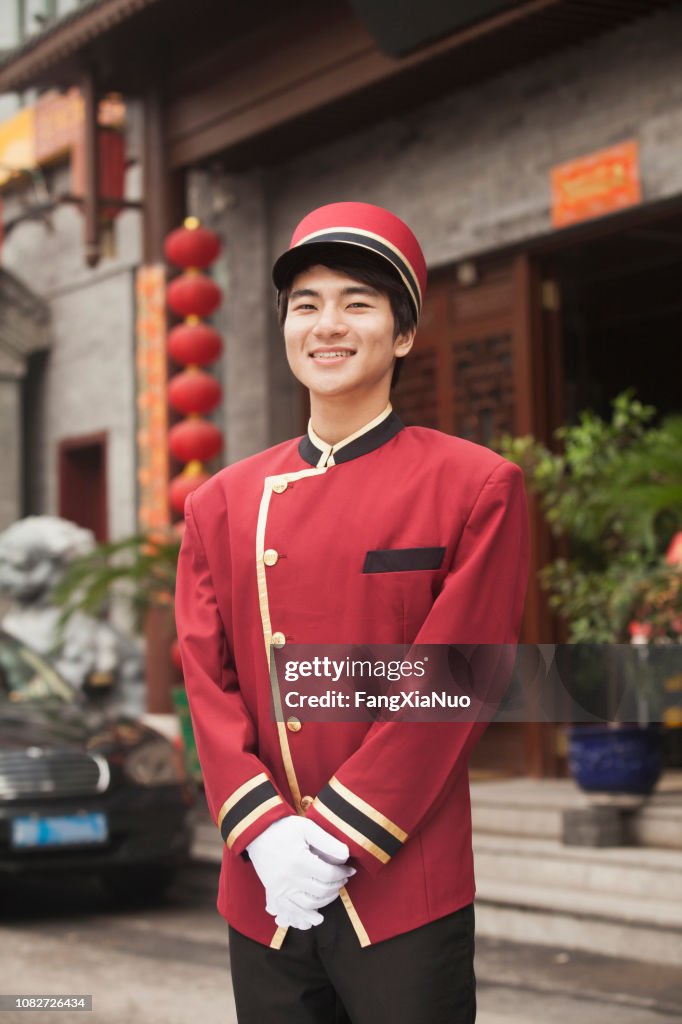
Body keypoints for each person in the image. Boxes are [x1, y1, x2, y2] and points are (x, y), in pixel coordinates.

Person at [175, 202, 530, 1023]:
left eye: (357, 303)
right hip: (264, 886)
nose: (327, 325)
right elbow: (206, 679)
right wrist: (264, 831)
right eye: (306, 304)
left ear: (403, 334)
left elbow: (456, 679)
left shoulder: (474, 485)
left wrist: (335, 831)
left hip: (401, 885)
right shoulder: (220, 502)